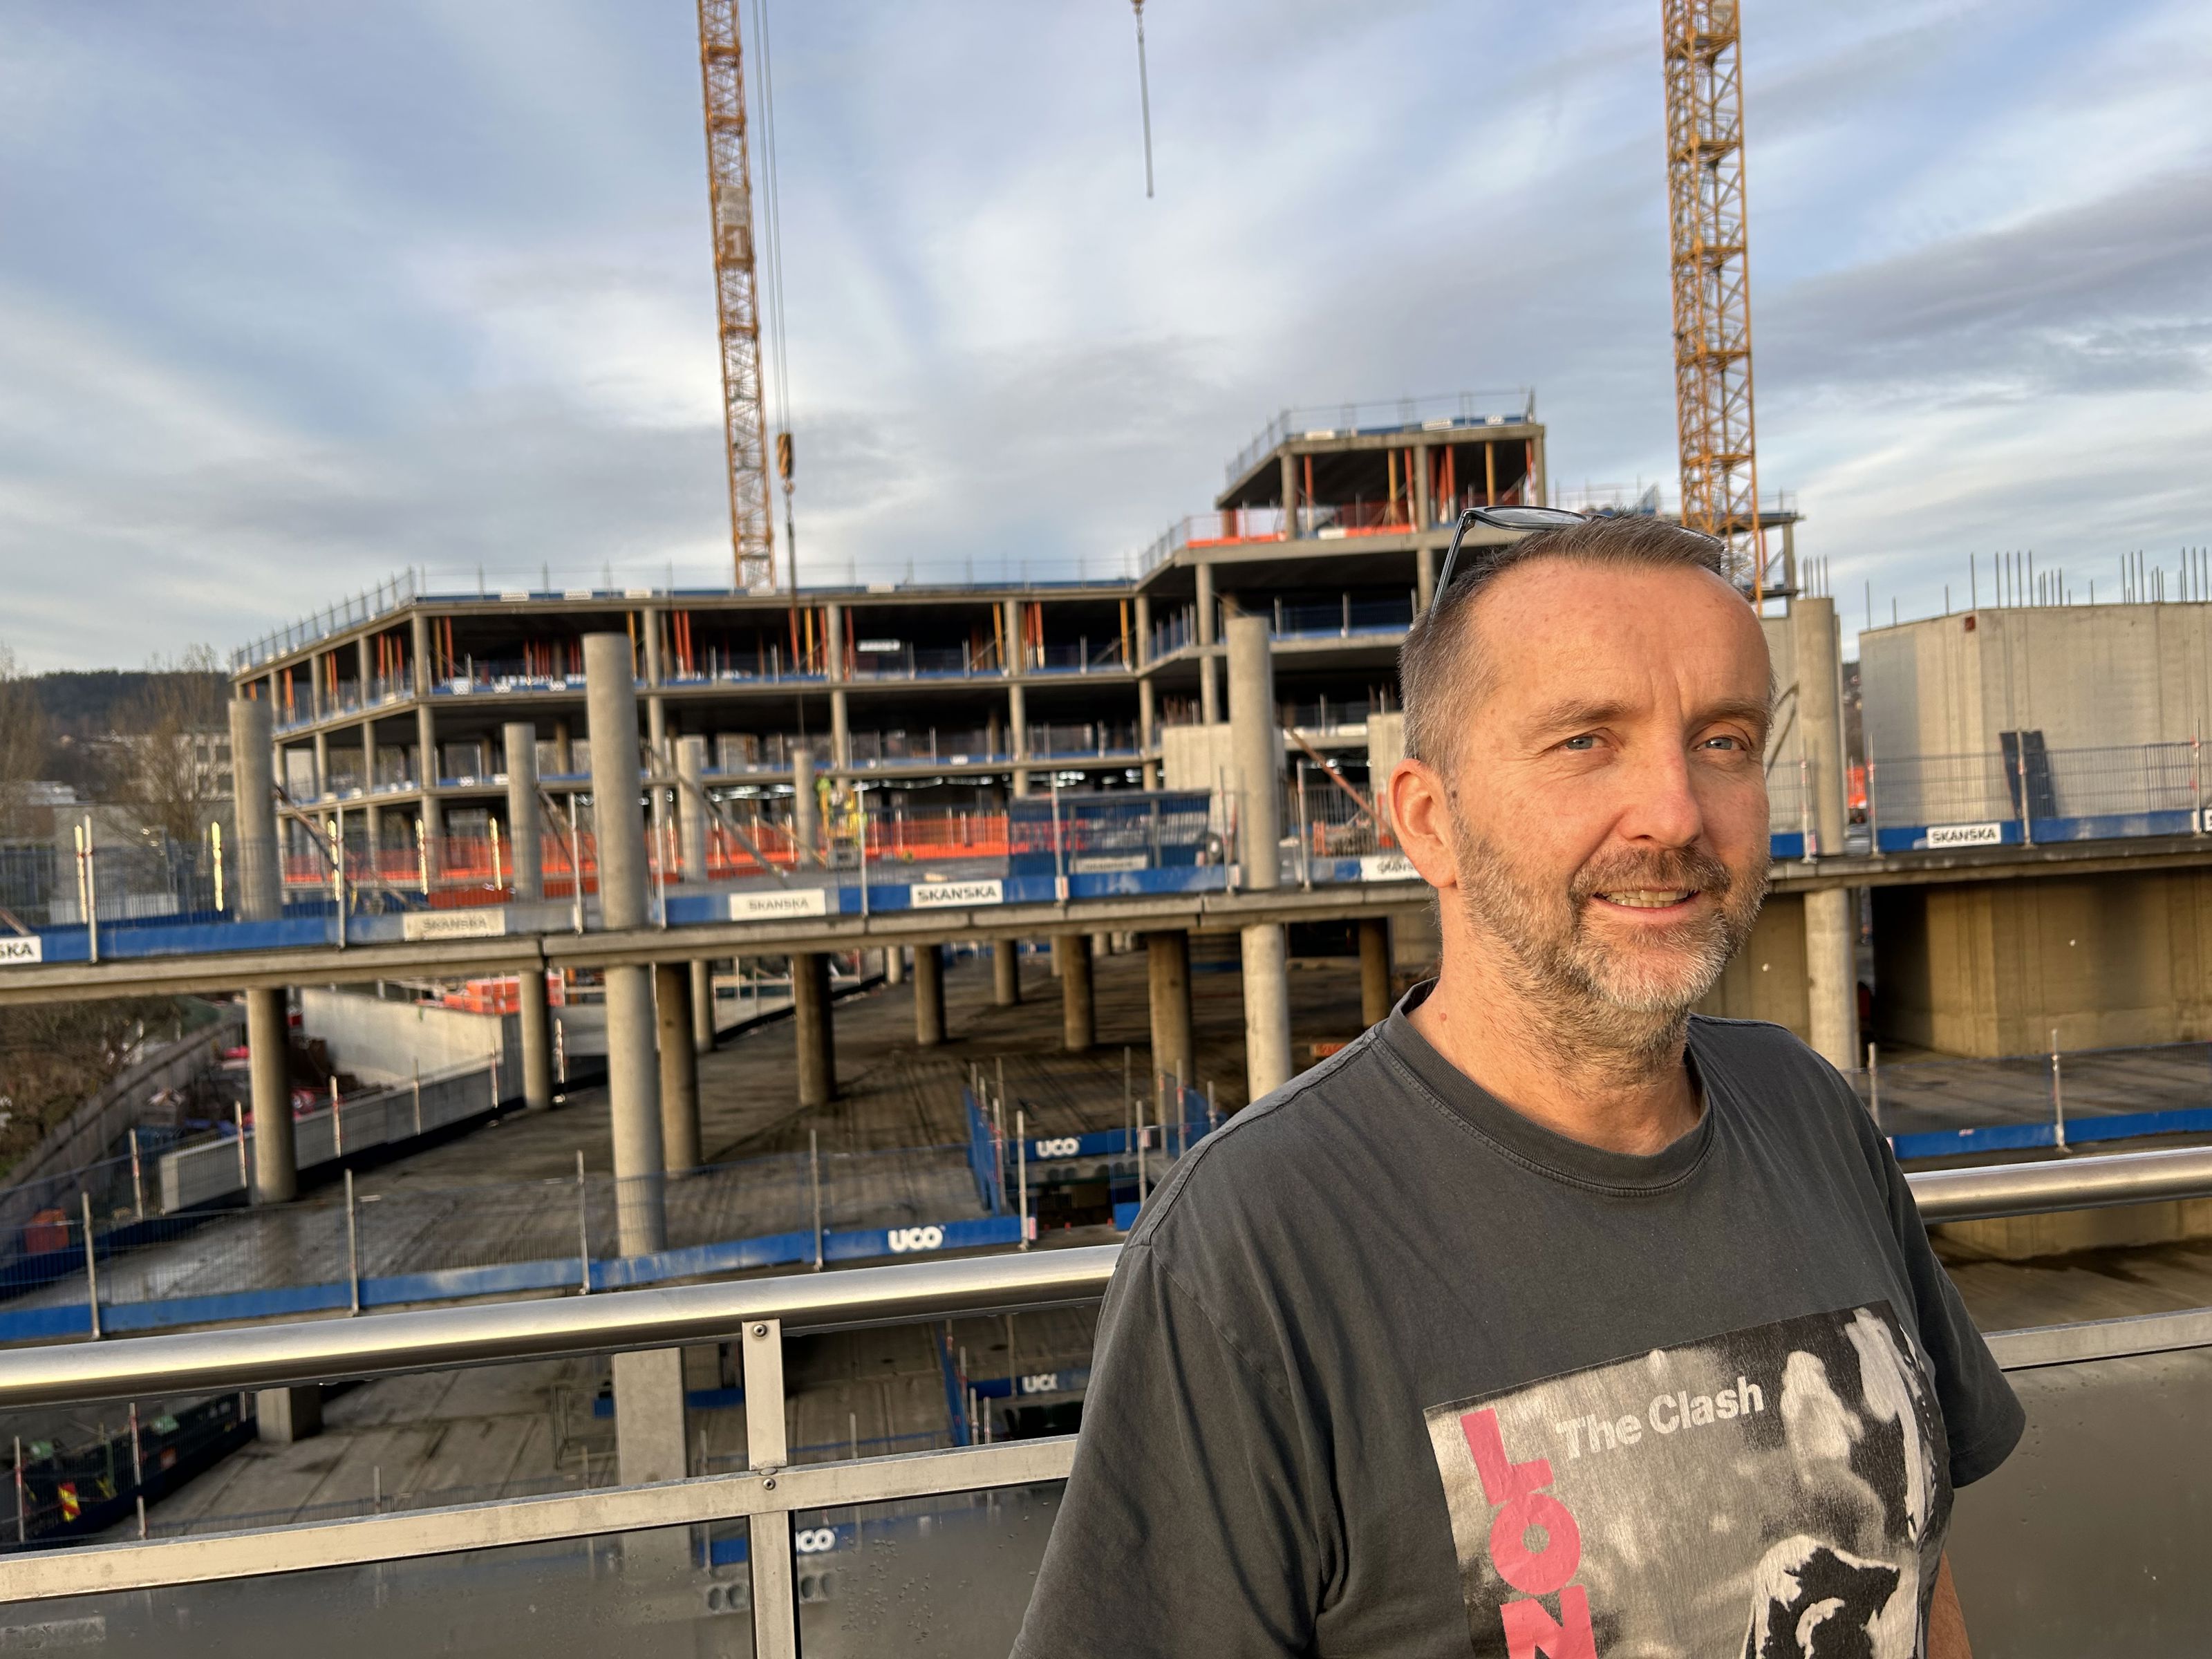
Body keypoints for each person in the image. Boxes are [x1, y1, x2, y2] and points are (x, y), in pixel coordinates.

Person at [1013, 512, 2020, 1658]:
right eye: (1587, 740)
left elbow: (1915, 1564)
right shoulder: (1249, 1249)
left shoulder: (1811, 1111)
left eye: (1725, 740)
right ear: (1431, 824)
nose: (1677, 812)